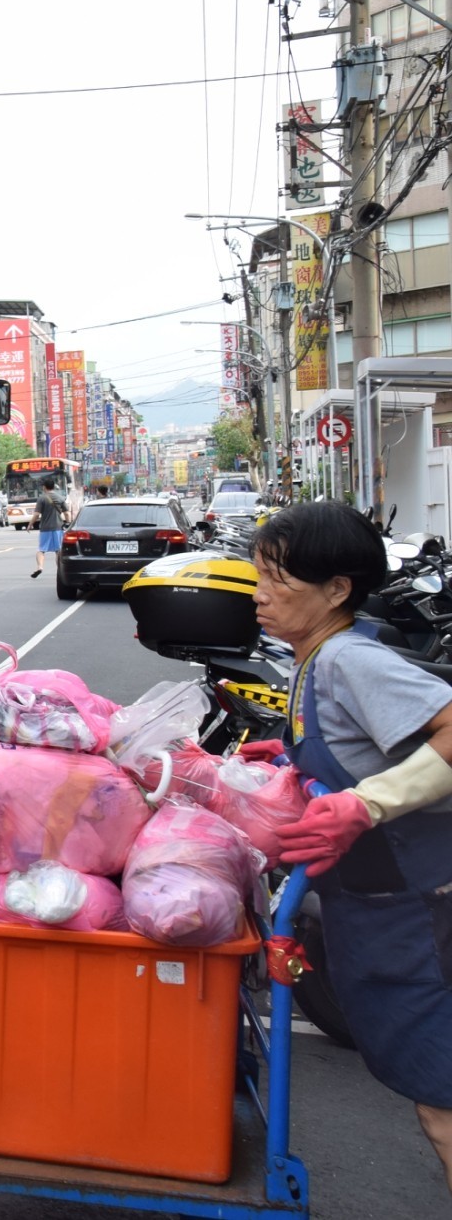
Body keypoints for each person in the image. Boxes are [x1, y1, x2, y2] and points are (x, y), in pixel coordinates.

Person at [256, 502, 452, 1193]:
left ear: (337, 589)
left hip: (419, 908)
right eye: (259, 575)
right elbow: (353, 750)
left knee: (444, 1102)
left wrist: (366, 803)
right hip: (374, 904)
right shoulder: (313, 660)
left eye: (278, 579)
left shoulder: (348, 656)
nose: (260, 593)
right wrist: (287, 763)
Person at [30, 478, 64, 579]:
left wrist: (30, 524)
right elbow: (67, 513)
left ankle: (40, 567)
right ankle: (60, 571)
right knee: (58, 551)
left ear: (44, 487)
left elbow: (36, 514)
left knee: (41, 550)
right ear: (53, 487)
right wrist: (68, 523)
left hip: (45, 528)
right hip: (58, 527)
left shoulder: (42, 498)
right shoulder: (60, 498)